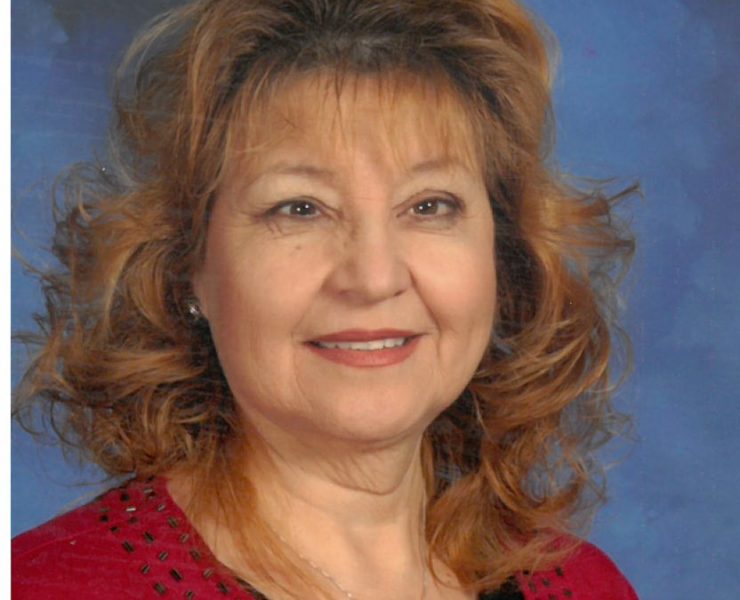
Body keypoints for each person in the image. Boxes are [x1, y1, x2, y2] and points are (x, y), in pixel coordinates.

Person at [12, 0, 639, 598]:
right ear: (190, 264)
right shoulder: (44, 588)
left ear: (500, 255)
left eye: (429, 206)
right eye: (300, 209)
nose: (373, 277)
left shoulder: (585, 586)